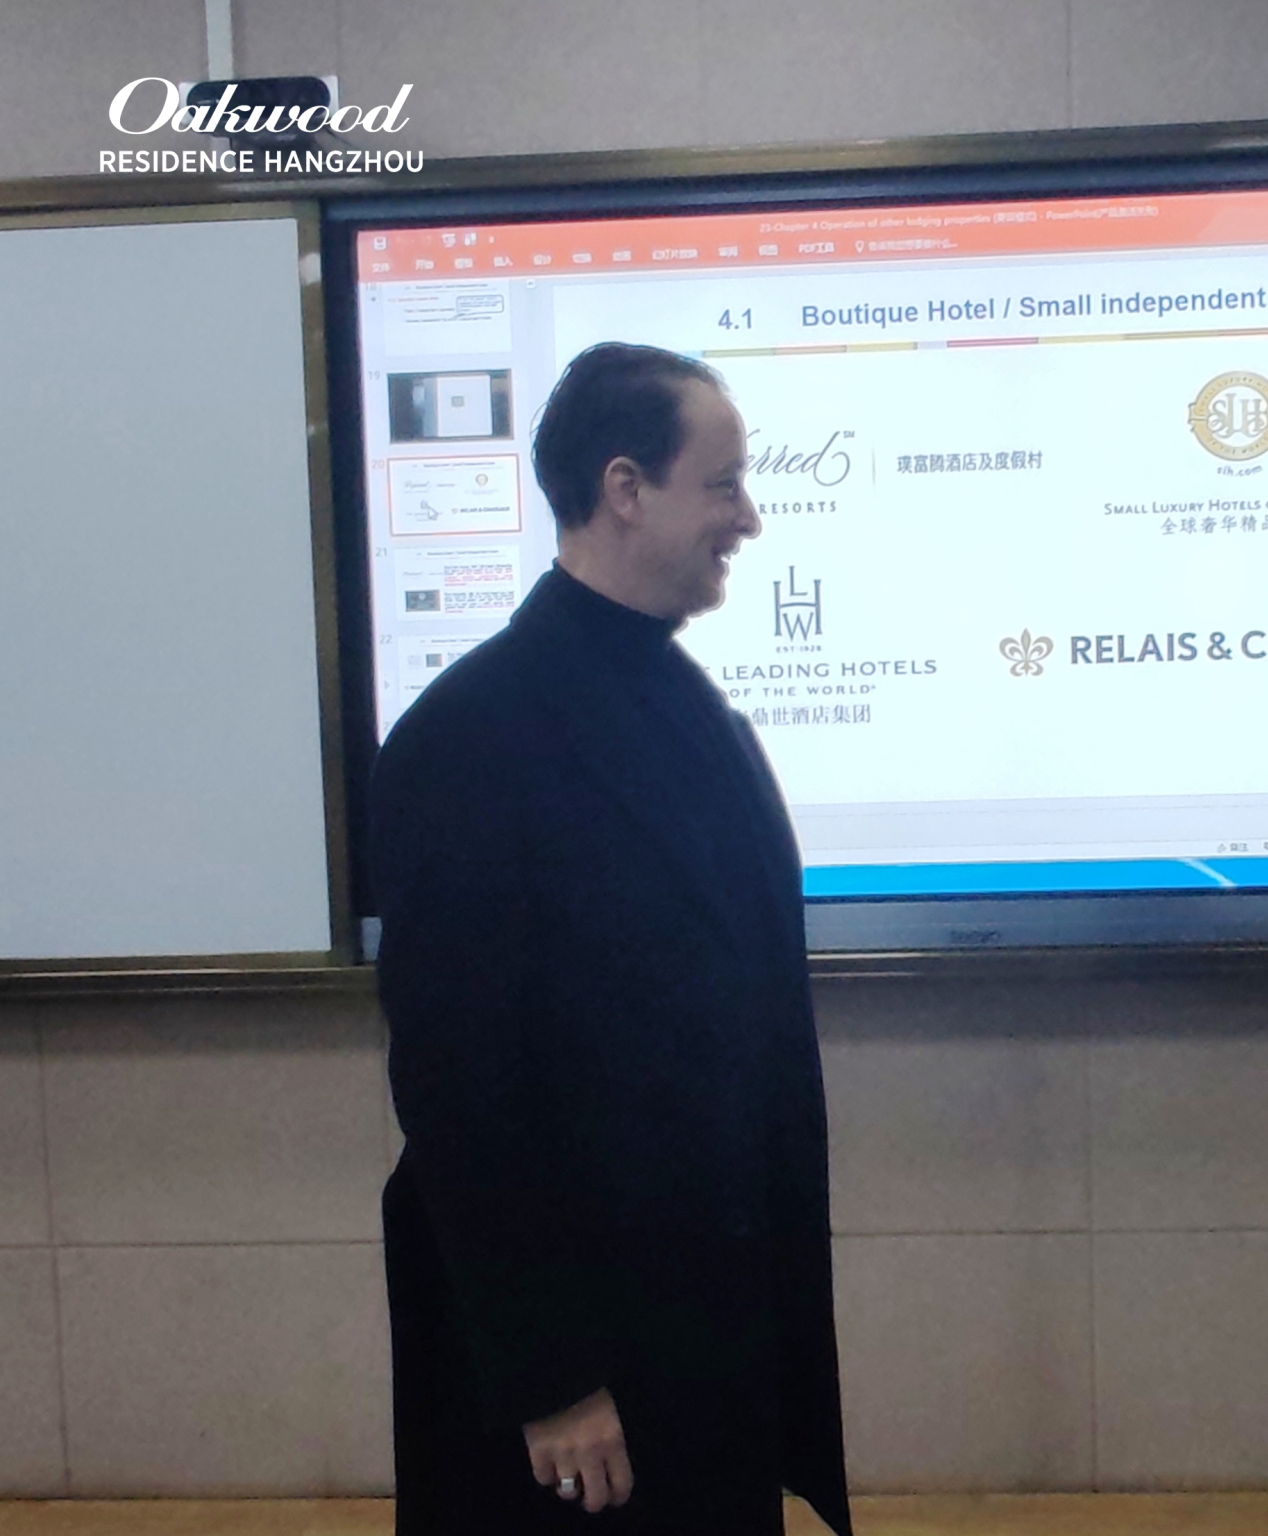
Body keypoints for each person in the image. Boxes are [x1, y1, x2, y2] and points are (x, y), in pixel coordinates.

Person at [372, 342, 852, 1536]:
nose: (749, 516)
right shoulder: (469, 738)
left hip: (706, 1344)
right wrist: (550, 1379)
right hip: (582, 1394)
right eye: (723, 484)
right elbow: (459, 1090)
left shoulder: (692, 709)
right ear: (624, 487)